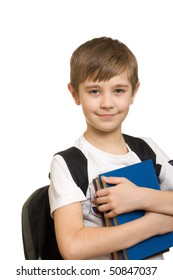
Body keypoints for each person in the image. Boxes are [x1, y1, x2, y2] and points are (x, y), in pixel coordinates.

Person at [48, 37, 173, 260]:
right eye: (94, 91)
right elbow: (73, 247)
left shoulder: (147, 149)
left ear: (134, 92)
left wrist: (140, 198)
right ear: (74, 93)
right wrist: (154, 225)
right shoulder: (68, 163)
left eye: (118, 90)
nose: (107, 103)